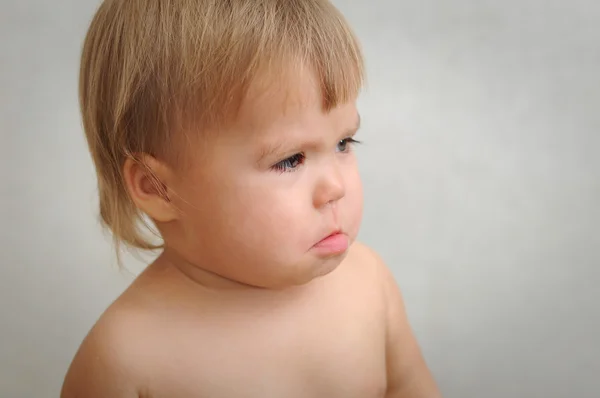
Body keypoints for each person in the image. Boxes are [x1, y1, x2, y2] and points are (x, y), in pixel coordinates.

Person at [60, 0, 441, 397]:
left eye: (344, 142)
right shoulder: (127, 359)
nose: (335, 187)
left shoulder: (368, 284)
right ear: (158, 188)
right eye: (290, 160)